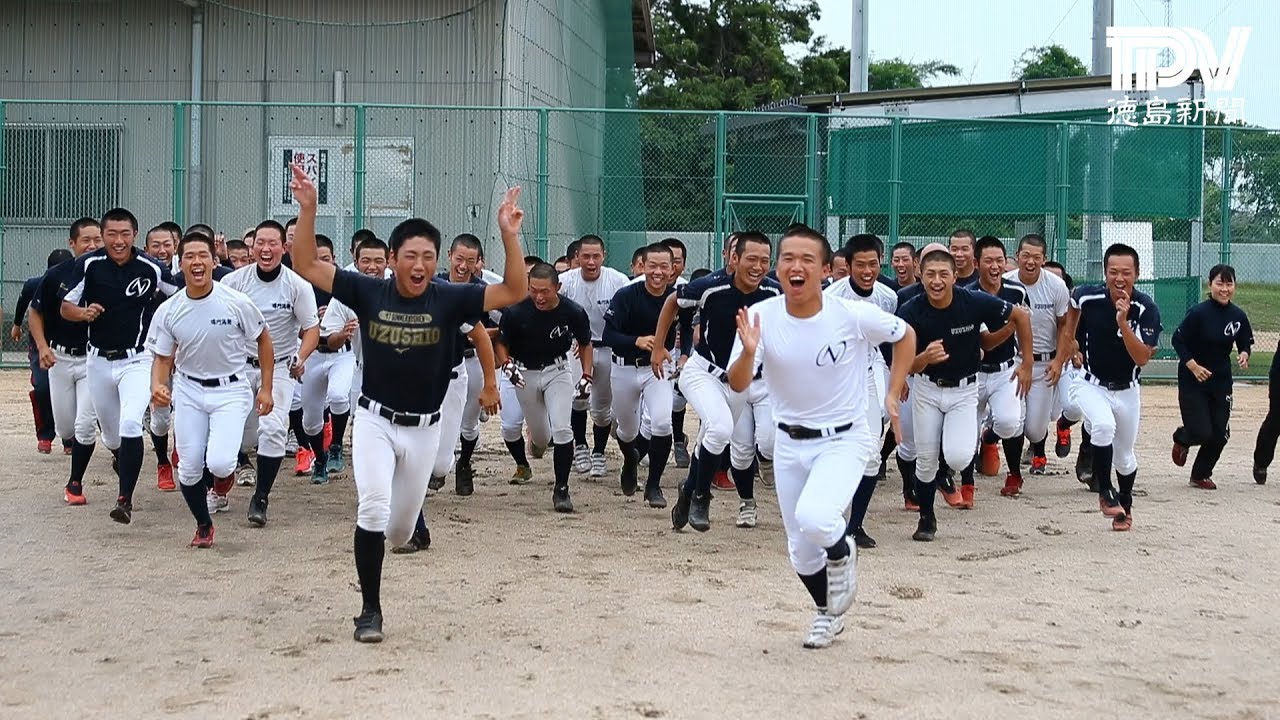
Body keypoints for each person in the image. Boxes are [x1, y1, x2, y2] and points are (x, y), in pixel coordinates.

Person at [287, 163, 527, 643]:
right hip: (375, 420)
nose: (419, 265)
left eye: (428, 257)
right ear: (392, 258)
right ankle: (370, 611)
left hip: (425, 429)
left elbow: (515, 290)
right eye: (410, 256)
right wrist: (309, 210)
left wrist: (508, 234)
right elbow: (308, 266)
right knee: (372, 511)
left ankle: (398, 540)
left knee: (397, 532)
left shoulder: (449, 297)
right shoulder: (367, 289)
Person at [725, 225, 915, 649]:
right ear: (778, 267)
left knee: (817, 517)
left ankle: (844, 550)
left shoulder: (849, 314)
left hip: (844, 439)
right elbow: (737, 383)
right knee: (800, 551)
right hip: (790, 444)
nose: (796, 266)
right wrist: (751, 352)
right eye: (788, 258)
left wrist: (893, 388)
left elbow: (905, 335)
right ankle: (828, 614)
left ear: (827, 270)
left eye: (807, 260)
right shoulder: (761, 317)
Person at [146, 232, 274, 548]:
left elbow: (263, 339)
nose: (197, 262)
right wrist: (157, 386)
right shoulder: (169, 309)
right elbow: (163, 358)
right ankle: (204, 525)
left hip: (231, 389)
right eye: (189, 256)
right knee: (188, 469)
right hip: (189, 391)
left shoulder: (236, 302)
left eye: (203, 255)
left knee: (220, 463)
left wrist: (267, 388)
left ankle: (222, 483)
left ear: (214, 261)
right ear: (180, 263)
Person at [896, 248, 1029, 542]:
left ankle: (973, 447)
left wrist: (1028, 365)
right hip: (927, 389)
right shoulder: (910, 310)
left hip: (966, 390)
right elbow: (903, 363)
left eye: (944, 274)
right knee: (925, 459)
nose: (937, 280)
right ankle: (926, 518)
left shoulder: (973, 301)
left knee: (957, 458)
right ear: (921, 276)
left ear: (956, 277)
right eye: (930, 274)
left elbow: (1020, 315)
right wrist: (925, 358)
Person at [59, 208, 177, 523]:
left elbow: (181, 295)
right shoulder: (89, 264)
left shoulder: (151, 267)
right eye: (111, 234)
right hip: (97, 360)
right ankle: (116, 459)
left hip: (137, 360)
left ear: (134, 235)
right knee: (111, 438)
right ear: (103, 235)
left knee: (130, 424)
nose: (119, 240)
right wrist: (81, 314)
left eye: (125, 234)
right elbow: (66, 305)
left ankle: (124, 499)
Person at [658, 232, 779, 531]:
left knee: (713, 437)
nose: (758, 266)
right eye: (751, 259)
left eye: (765, 260)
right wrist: (661, 344)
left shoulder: (773, 293)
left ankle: (687, 492)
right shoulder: (711, 286)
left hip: (741, 380)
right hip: (703, 372)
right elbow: (673, 301)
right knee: (721, 428)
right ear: (734, 258)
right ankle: (701, 495)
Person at [223, 220, 320, 526]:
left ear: (284, 247)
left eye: (272, 243)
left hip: (279, 367)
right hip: (239, 364)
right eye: (260, 243)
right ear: (251, 247)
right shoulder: (234, 283)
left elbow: (311, 329)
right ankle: (220, 482)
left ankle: (261, 497)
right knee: (237, 433)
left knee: (274, 429)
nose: (266, 249)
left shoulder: (297, 285)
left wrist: (301, 356)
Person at [1060, 243, 1161, 532]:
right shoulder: (1088, 295)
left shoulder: (1146, 308)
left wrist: (1122, 321)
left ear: (1137, 274)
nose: (1119, 278)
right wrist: (1069, 344)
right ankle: (1105, 491)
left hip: (1128, 389)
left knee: (1125, 456)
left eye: (1126, 272)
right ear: (1104, 272)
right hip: (1091, 384)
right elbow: (1074, 306)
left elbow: (1142, 357)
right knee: (1102, 426)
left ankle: (1124, 503)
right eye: (1113, 272)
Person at [494, 263, 592, 511]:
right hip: (523, 372)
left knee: (562, 429)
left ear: (557, 288)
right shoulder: (516, 312)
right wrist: (506, 364)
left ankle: (561, 489)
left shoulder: (572, 311)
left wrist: (587, 375)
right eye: (533, 290)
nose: (538, 296)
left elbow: (585, 342)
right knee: (540, 435)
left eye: (545, 291)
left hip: (557, 370)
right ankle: (531, 449)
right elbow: (501, 343)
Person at [824, 234, 897, 547]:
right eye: (861, 265)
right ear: (848, 266)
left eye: (874, 264)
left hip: (867, 377)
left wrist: (897, 377)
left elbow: (890, 340)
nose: (868, 270)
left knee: (870, 456)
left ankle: (854, 526)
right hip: (833, 383)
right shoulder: (832, 298)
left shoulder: (888, 296)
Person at [603, 244, 688, 501]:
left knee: (662, 423)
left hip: (658, 368)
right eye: (653, 266)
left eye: (665, 266)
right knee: (627, 431)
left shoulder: (678, 296)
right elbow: (609, 335)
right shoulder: (627, 295)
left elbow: (686, 328)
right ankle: (630, 461)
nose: (658, 272)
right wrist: (636, 341)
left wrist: (683, 355)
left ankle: (654, 485)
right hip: (624, 367)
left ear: (674, 267)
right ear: (643, 265)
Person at [29, 218, 103, 502]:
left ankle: (75, 485)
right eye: (86, 240)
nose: (93, 246)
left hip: (92, 359)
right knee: (66, 428)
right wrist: (42, 347)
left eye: (98, 240)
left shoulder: (109, 273)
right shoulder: (56, 275)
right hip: (60, 357)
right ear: (72, 244)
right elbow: (35, 313)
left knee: (84, 425)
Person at [1171, 264, 1252, 489]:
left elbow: (1244, 340)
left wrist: (1244, 353)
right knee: (1201, 431)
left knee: (1220, 434)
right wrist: (1193, 366)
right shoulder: (1198, 313)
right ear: (1210, 285)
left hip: (1221, 381)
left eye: (1229, 284)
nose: (1224, 289)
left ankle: (1200, 474)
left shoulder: (1238, 315)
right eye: (1220, 283)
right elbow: (1178, 340)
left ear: (1234, 286)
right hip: (1193, 379)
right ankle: (1182, 438)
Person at [560, 235, 630, 477]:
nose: (591, 262)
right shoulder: (565, 282)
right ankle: (580, 446)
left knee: (601, 409)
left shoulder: (618, 281)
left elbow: (626, 317)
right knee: (578, 397)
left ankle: (599, 451)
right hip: (576, 348)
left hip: (607, 348)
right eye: (586, 256)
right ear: (577, 257)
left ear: (604, 256)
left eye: (596, 256)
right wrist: (574, 337)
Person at [970, 236, 1033, 500]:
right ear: (976, 263)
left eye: (999, 260)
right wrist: (1012, 323)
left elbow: (1026, 327)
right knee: (963, 440)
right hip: (971, 372)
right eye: (988, 261)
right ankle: (964, 480)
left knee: (1009, 423)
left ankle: (1014, 472)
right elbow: (988, 339)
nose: (995, 266)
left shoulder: (1016, 291)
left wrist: (1027, 363)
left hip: (1005, 369)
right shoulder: (968, 294)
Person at [1003, 234, 1072, 477]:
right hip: (1015, 362)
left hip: (1044, 363)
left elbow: (1065, 325)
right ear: (1017, 256)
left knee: (1035, 430)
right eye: (1025, 256)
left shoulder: (1056, 286)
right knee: (1012, 420)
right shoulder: (1006, 283)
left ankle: (1035, 446)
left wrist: (1058, 361)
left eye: (1036, 257)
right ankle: (1013, 472)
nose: (1030, 262)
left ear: (1043, 260)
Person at [14, 252, 66, 453]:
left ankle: (69, 438)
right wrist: (16, 325)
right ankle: (45, 435)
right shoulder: (34, 284)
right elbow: (22, 305)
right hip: (40, 343)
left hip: (68, 345)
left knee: (68, 390)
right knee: (42, 387)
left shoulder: (79, 282)